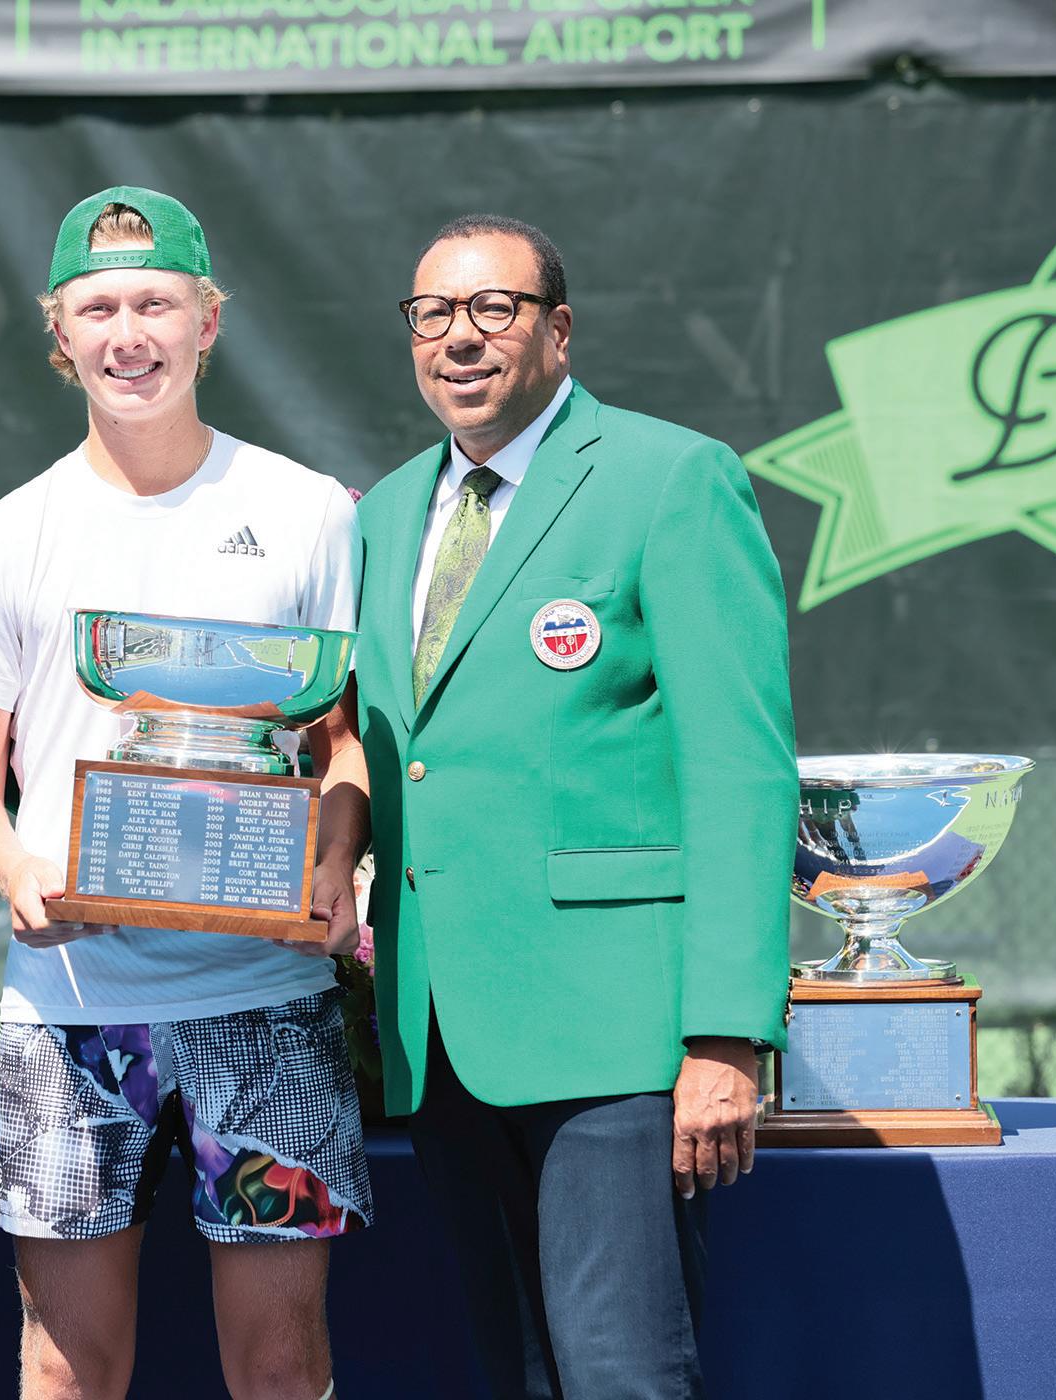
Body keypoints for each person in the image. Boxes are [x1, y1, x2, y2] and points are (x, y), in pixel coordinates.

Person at [0, 186, 372, 1400]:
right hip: (76, 1007)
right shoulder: (0, 537)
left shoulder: (306, 511)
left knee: (281, 1363)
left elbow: (341, 742)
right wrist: (18, 869)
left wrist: (333, 862)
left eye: (157, 304)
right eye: (99, 308)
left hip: (267, 994)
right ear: (58, 331)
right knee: (67, 1365)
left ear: (208, 321)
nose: (129, 334)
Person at [352, 215, 796, 1398]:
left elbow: (740, 768)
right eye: (432, 313)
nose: (459, 337)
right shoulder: (384, 513)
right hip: (438, 1035)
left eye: (491, 308)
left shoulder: (671, 478)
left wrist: (725, 1031)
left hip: (615, 1035)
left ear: (559, 328)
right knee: (519, 1374)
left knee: (621, 1373)